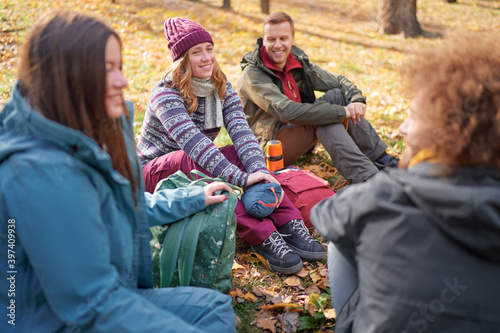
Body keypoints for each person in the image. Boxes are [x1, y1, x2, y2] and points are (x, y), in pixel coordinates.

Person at [0, 10, 236, 333]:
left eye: (120, 67)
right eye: (107, 69)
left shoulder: (84, 133)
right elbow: (93, 307)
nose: (123, 81)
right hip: (61, 322)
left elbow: (127, 206)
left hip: (116, 294)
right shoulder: (40, 173)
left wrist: (192, 197)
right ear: (68, 75)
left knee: (214, 308)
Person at [310, 32, 500, 332]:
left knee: (342, 240)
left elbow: (324, 216)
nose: (401, 128)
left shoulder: (382, 196)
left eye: (413, 116)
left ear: (449, 130)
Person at [136, 17, 325, 275]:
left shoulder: (221, 87)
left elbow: (242, 133)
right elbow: (195, 145)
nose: (207, 58)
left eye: (209, 49)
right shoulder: (165, 93)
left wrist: (260, 173)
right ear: (182, 59)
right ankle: (263, 238)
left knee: (242, 154)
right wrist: (242, 179)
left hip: (192, 164)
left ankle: (289, 223)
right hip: (153, 174)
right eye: (196, 52)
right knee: (196, 160)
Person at [236, 12, 398, 184]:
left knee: (337, 95)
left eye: (283, 38)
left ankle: (385, 162)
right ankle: (368, 179)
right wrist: (341, 113)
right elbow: (286, 111)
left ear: (292, 39)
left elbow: (339, 81)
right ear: (263, 40)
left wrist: (357, 99)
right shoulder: (252, 75)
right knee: (323, 118)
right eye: (271, 39)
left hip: (295, 133)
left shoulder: (296, 62)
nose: (277, 45)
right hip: (268, 150)